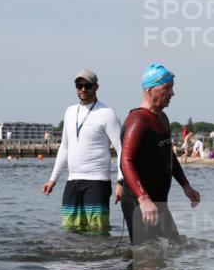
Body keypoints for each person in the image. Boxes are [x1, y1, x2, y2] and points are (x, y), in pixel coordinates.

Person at [120, 64, 200, 244]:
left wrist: (186, 186)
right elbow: (126, 161)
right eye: (167, 88)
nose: (172, 93)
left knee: (174, 247)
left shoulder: (162, 118)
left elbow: (168, 155)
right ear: (150, 90)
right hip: (139, 203)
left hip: (158, 202)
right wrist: (143, 198)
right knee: (146, 259)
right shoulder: (138, 120)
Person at [42, 70, 124, 234]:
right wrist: (53, 179)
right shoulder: (70, 111)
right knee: (70, 230)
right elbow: (64, 147)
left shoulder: (106, 113)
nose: (83, 89)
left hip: (97, 182)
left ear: (96, 87)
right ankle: (74, 261)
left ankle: (101, 260)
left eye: (87, 85)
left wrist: (120, 182)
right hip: (73, 182)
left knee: (98, 231)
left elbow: (121, 149)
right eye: (79, 85)